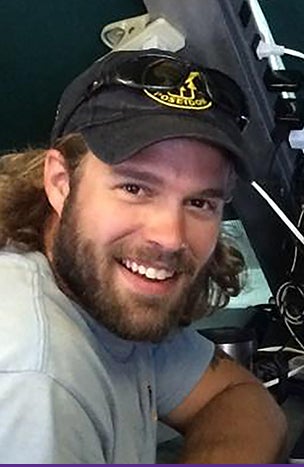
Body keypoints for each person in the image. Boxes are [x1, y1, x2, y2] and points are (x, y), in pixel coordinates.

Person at [0, 48, 286, 462]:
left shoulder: (100, 294)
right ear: (61, 183)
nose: (170, 237)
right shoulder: (33, 380)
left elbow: (234, 395)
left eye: (200, 203)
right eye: (135, 188)